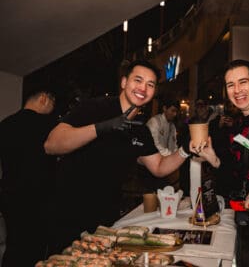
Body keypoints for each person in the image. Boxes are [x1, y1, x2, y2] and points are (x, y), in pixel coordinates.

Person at [44, 60, 192, 253]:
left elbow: (159, 167)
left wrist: (185, 150)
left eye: (150, 84)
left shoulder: (140, 129)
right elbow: (51, 145)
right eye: (138, 80)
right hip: (69, 213)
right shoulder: (95, 107)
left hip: (106, 221)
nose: (143, 88)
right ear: (124, 82)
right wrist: (101, 128)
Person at [194, 59, 249, 267]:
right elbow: (234, 169)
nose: (237, 90)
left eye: (243, 82)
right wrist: (213, 158)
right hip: (244, 215)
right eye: (231, 85)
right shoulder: (237, 123)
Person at [0, 86, 57, 266]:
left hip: (9, 194)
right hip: (37, 196)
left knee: (14, 244)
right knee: (35, 248)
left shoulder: (5, 124)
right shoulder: (47, 125)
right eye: (52, 103)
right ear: (43, 98)